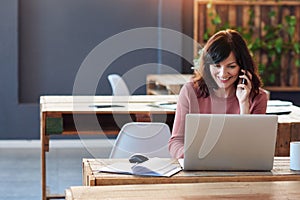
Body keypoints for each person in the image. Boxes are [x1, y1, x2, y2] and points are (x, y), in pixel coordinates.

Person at [168, 29, 268, 158]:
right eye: (217, 66)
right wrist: (191, 157)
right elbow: (176, 142)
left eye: (231, 66)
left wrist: (244, 105)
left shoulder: (257, 97)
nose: (223, 74)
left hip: (239, 172)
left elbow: (252, 148)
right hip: (199, 170)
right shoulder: (190, 91)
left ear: (243, 68)